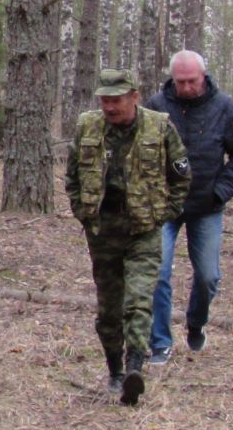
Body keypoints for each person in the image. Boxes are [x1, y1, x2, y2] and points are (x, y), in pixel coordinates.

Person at [65, 68, 190, 407]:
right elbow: (72, 175)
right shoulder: (87, 126)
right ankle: (114, 371)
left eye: (116, 100)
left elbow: (181, 176)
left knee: (138, 299)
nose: (109, 107)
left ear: (134, 97)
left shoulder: (160, 127)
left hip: (143, 230)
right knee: (109, 307)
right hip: (103, 230)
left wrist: (163, 213)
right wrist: (82, 210)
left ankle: (135, 366)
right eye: (104, 100)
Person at [146, 49, 233, 362]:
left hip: (207, 206)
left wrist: (220, 192)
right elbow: (143, 154)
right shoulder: (156, 107)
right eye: (180, 81)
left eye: (192, 80)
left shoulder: (224, 107)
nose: (186, 87)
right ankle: (160, 342)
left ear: (203, 77)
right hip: (165, 207)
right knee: (158, 272)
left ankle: (196, 323)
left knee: (208, 276)